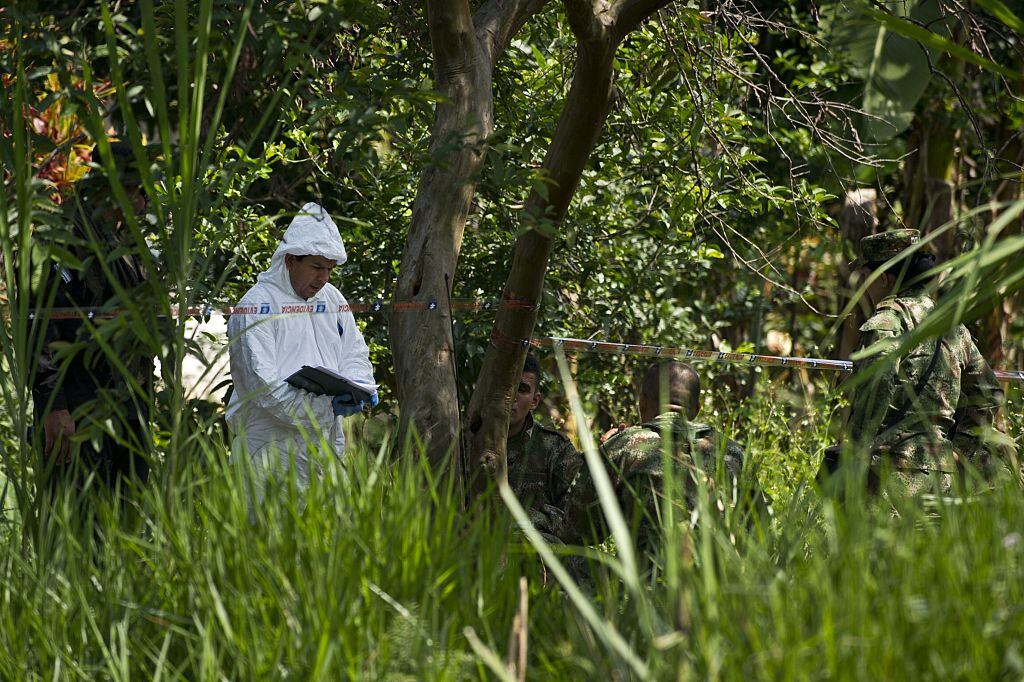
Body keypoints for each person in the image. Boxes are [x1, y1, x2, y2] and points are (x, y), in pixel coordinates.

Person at [834, 228, 1018, 495]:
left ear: (883, 278)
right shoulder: (953, 327)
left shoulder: (887, 322)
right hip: (941, 475)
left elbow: (879, 385)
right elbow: (989, 394)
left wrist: (859, 451)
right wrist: (959, 450)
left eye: (866, 277)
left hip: (885, 475)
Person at [226, 203, 377, 499]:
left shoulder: (331, 300)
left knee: (324, 541)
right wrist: (325, 407)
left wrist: (360, 386)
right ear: (291, 259)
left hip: (325, 446)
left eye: (330, 269)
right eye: (317, 267)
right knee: (269, 541)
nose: (323, 278)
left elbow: (354, 352)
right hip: (270, 449)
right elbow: (265, 389)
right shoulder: (257, 306)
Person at [29, 141, 155, 492]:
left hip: (129, 406)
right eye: (133, 189)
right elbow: (39, 321)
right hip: (79, 405)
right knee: (77, 524)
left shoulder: (126, 240)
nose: (142, 200)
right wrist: (54, 405)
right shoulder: (65, 233)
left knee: (126, 523)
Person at [560, 361, 763, 559]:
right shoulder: (735, 452)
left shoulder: (624, 444)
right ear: (697, 409)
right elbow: (759, 532)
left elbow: (577, 530)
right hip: (722, 586)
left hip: (645, 585)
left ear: (643, 402)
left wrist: (605, 454)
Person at [505, 354, 582, 539]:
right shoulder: (463, 441)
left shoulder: (554, 448)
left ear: (534, 401)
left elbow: (576, 520)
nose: (512, 396)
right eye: (507, 385)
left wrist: (525, 520)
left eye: (522, 389)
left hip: (532, 556)